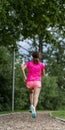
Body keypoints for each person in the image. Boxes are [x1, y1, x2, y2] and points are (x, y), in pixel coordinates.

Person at [22, 51, 45, 118]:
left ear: (32, 57)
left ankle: (31, 105)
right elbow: (43, 74)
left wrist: (25, 77)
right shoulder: (41, 64)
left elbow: (22, 68)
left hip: (29, 82)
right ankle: (34, 107)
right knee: (36, 95)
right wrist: (39, 75)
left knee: (31, 93)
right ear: (39, 57)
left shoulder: (29, 63)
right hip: (37, 81)